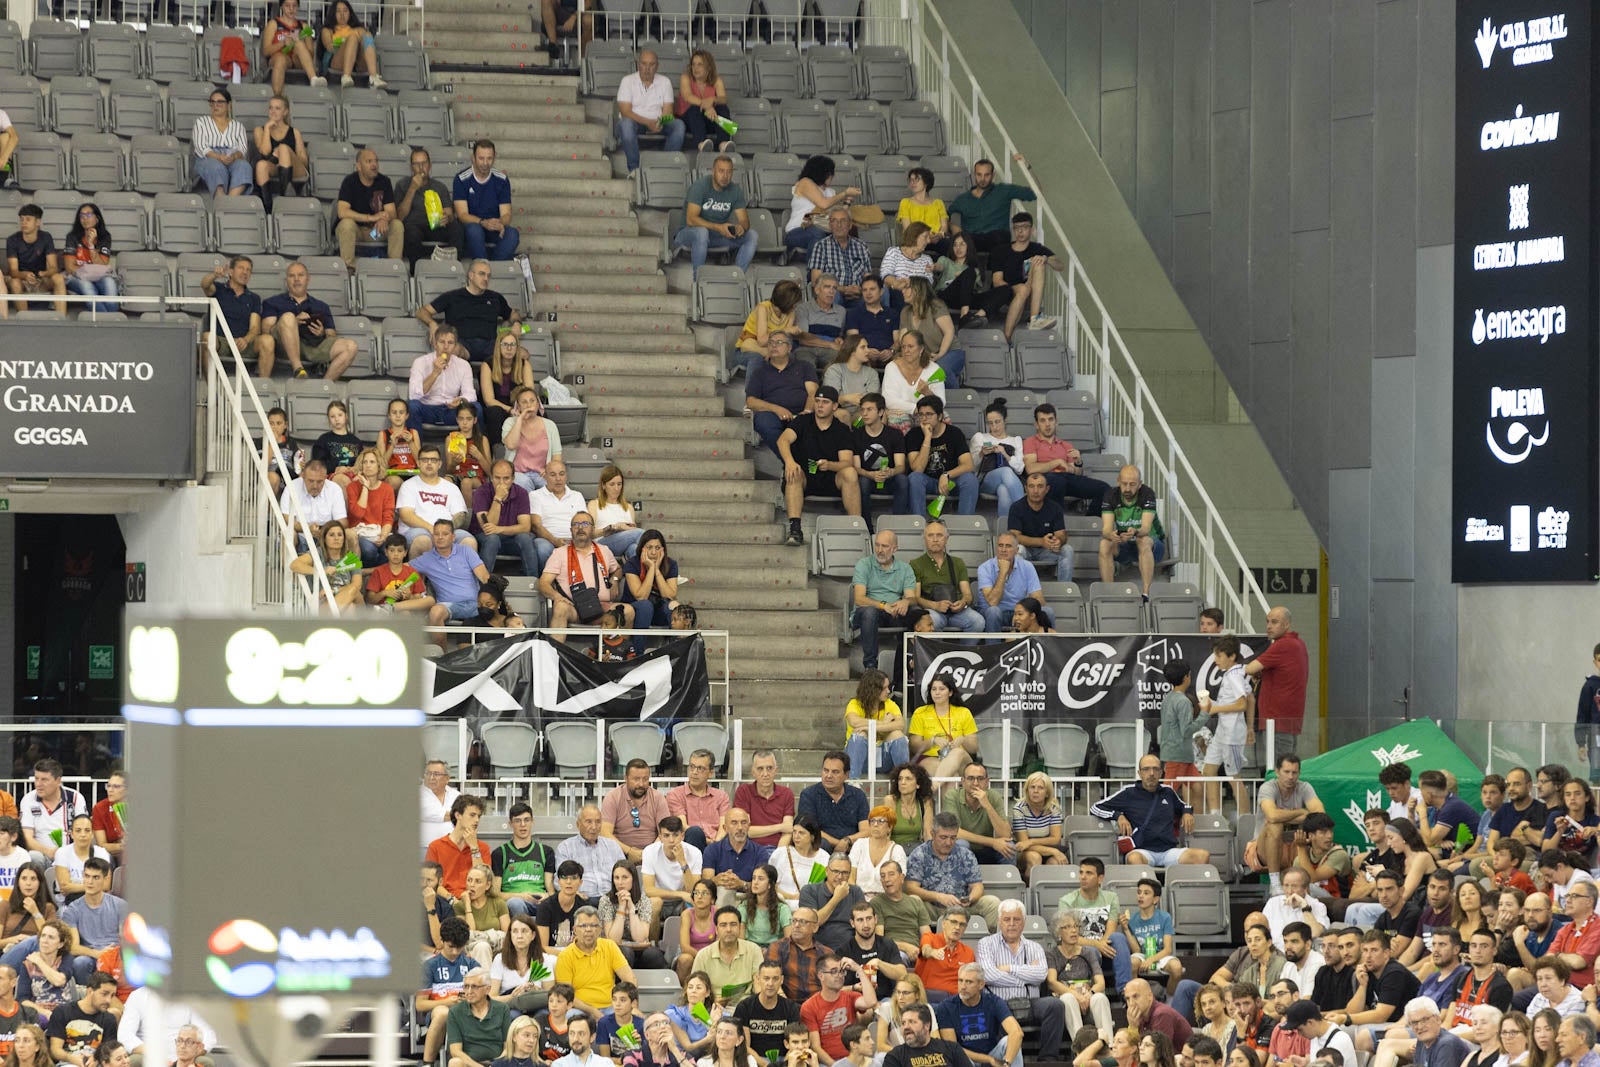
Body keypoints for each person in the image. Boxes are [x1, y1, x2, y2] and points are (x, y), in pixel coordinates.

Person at [975, 900, 1065, 1059]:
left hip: (1030, 1001)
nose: (1011, 924)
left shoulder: (1034, 947)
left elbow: (1040, 975)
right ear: (999, 922)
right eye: (1006, 919)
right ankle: (1003, 1059)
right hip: (1000, 1002)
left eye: (1016, 919)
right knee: (995, 1010)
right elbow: (988, 975)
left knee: (1055, 1005)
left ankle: (1048, 1059)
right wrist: (1025, 977)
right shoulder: (986, 944)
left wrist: (1010, 968)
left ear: (1023, 923)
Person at [778, 385, 862, 545]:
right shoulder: (803, 421)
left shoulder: (841, 429)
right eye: (817, 401)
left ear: (835, 406)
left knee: (850, 472)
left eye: (825, 402)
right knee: (793, 472)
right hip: (805, 477)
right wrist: (789, 462)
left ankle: (855, 527)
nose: (820, 405)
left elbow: (846, 462)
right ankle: (795, 529)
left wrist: (830, 465)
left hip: (830, 477)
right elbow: (783, 440)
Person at [1090, 757, 1208, 867]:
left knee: (1202, 856)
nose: (1151, 773)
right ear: (1139, 773)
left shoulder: (1168, 792)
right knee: (1134, 859)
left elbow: (1184, 805)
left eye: (1155, 769)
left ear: (1161, 773)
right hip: (1142, 851)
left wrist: (1187, 812)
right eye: (1146, 769)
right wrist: (1118, 816)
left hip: (1169, 851)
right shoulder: (1128, 793)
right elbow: (1095, 808)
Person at [260, 261, 359, 380]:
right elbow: (266, 330)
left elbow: (332, 335)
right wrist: (291, 324)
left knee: (350, 346)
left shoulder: (321, 306)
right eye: (292, 276)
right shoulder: (273, 302)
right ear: (286, 280)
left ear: (308, 279)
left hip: (312, 346)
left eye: (300, 275)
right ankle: (298, 368)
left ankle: (324, 385)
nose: (296, 279)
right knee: (288, 317)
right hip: (282, 346)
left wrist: (322, 332)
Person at [904, 813, 1000, 934]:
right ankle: (925, 943)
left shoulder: (965, 854)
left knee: (993, 902)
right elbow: (911, 888)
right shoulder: (919, 854)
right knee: (913, 900)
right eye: (943, 837)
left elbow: (977, 886)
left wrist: (970, 898)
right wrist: (938, 897)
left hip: (962, 907)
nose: (949, 842)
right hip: (932, 907)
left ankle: (988, 942)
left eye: (953, 838)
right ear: (932, 834)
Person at [419, 260, 522, 363]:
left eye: (488, 275)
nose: (486, 278)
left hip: (491, 346)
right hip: (462, 344)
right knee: (451, 351)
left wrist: (517, 323)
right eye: (482, 274)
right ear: (471, 275)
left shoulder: (496, 298)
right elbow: (422, 311)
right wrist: (432, 323)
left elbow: (513, 313)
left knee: (523, 354)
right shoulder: (452, 297)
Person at [980, 212, 1060, 339]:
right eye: (1017, 227)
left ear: (1032, 229)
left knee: (1039, 263)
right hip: (1005, 293)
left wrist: (1046, 259)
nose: (1020, 231)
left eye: (1025, 227)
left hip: (1029, 295)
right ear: (1013, 230)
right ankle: (1007, 336)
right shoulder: (1001, 250)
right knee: (1023, 289)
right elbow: (997, 281)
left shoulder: (1036, 248)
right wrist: (1019, 289)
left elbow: (1060, 265)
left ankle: (1034, 318)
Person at [1244, 607, 1310, 760]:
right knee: (1289, 768)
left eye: (1274, 622)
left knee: (1281, 770)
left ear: (1287, 625)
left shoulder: (1282, 645)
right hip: (1290, 720)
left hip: (1276, 721)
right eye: (1267, 622)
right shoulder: (1299, 644)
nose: (1268, 626)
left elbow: (1250, 668)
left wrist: (1258, 671)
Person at [674, 155, 755, 278]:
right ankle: (698, 280)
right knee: (702, 232)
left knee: (752, 235)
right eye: (721, 171)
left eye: (729, 172)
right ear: (713, 171)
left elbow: (744, 220)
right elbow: (691, 220)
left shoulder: (735, 190)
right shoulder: (700, 187)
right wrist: (718, 227)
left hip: (716, 237)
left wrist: (741, 227)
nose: (725, 176)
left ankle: (737, 277)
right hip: (688, 234)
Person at [1255, 754, 1325, 891]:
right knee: (1275, 826)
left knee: (1320, 828)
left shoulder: (1304, 787)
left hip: (1296, 846)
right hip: (1265, 849)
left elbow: (1319, 815)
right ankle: (1274, 884)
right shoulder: (1268, 787)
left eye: (1294, 772)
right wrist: (1301, 812)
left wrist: (1284, 815)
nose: (1291, 777)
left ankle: (1313, 882)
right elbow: (1273, 816)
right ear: (1277, 772)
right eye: (1286, 772)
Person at [1022, 402, 1110, 510]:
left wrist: (1078, 463)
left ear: (1056, 422)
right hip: (1045, 479)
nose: (1047, 424)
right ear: (1036, 424)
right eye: (1043, 420)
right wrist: (1057, 462)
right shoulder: (1030, 442)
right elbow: (1031, 469)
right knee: (1057, 481)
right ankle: (1056, 523)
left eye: (1050, 419)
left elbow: (1075, 472)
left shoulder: (1066, 445)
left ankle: (1091, 522)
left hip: (1067, 479)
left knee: (1105, 489)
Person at [850, 531, 917, 672]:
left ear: (895, 548)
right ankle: (870, 666)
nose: (880, 550)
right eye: (877, 545)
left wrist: (905, 602)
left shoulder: (905, 569)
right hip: (867, 612)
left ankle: (912, 662)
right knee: (870, 612)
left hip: (893, 611)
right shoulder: (864, 564)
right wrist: (882, 605)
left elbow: (912, 597)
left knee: (916, 613)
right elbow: (859, 598)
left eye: (885, 546)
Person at [935, 964, 1023, 1067]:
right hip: (964, 1059)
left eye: (969, 982)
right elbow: (952, 1048)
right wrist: (989, 1059)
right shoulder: (946, 1007)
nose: (963, 986)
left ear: (981, 984)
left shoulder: (993, 1002)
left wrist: (1007, 1063)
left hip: (992, 1053)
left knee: (1010, 1041)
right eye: (960, 980)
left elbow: (1017, 1033)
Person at [746, 333, 818, 459]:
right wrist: (776, 409)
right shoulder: (760, 372)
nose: (774, 346)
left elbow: (813, 393)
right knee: (763, 422)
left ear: (789, 348)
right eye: (771, 342)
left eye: (779, 342)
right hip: (773, 414)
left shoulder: (804, 367)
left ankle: (793, 467)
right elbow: (751, 401)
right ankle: (793, 462)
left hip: (802, 412)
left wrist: (806, 412)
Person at [905, 394, 978, 517]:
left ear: (940, 416)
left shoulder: (954, 433)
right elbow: (918, 469)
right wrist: (927, 438)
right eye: (921, 414)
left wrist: (946, 475)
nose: (924, 418)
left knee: (970, 480)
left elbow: (968, 465)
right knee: (914, 478)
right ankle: (919, 524)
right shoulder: (913, 435)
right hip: (927, 481)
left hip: (950, 482)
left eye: (929, 414)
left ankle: (965, 524)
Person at [1045, 913, 1114, 1042]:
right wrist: (1076, 995)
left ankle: (1108, 1046)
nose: (1073, 930)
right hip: (1066, 997)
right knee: (1068, 998)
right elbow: (1051, 982)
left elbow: (1100, 983)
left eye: (1076, 926)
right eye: (1067, 927)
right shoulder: (1052, 954)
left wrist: (1089, 994)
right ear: (1058, 932)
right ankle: (1080, 1047)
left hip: (1087, 997)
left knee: (1100, 998)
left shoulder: (1088, 952)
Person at [910, 521, 986, 636]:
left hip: (956, 611)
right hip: (932, 610)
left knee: (978, 621)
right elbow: (915, 597)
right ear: (924, 539)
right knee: (931, 621)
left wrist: (962, 602)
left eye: (939, 535)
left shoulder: (957, 562)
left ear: (946, 538)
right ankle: (936, 653)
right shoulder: (916, 564)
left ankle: (964, 652)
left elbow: (968, 595)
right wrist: (935, 605)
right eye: (930, 535)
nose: (935, 539)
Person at [948, 156, 1036, 256]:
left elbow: (1035, 192)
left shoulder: (1003, 191)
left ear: (993, 175)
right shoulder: (963, 199)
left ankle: (995, 270)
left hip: (996, 237)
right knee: (960, 242)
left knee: (998, 239)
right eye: (979, 175)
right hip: (972, 238)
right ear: (974, 175)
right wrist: (953, 227)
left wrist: (1027, 166)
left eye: (987, 175)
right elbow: (944, 215)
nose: (982, 179)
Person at [1100, 465, 1167, 596]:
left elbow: (1146, 528)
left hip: (1153, 546)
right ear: (1118, 481)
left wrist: (1135, 532)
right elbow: (1106, 529)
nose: (1128, 489)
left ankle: (1146, 593)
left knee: (1143, 540)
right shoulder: (1110, 495)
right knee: (1104, 543)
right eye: (1124, 484)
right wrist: (1112, 535)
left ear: (1140, 484)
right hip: (1125, 543)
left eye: (1132, 484)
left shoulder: (1147, 494)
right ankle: (1109, 593)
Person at [616, 50, 685, 174]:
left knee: (679, 125)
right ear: (638, 64)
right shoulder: (627, 81)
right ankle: (634, 170)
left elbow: (668, 113)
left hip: (658, 122)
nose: (647, 68)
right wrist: (648, 122)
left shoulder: (665, 82)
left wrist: (659, 123)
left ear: (657, 66)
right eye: (644, 64)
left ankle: (666, 168)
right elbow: (625, 112)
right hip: (635, 122)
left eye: (652, 64)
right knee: (626, 124)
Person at [454, 140, 519, 261]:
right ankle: (482, 266)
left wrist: (500, 223)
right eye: (481, 158)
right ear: (473, 158)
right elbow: (462, 215)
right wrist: (483, 222)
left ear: (494, 158)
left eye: (489, 159)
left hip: (494, 227)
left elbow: (506, 214)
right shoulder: (461, 179)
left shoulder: (502, 180)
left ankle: (493, 269)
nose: (485, 163)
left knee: (512, 234)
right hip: (474, 226)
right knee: (474, 230)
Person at [201, 255, 268, 372]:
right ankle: (212, 387)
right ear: (231, 272)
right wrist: (214, 276)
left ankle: (264, 387)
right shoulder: (218, 289)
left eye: (248, 270)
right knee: (207, 337)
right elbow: (204, 284)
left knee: (268, 340)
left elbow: (255, 327)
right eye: (241, 268)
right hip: (221, 341)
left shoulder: (254, 298)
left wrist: (246, 340)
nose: (245, 272)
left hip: (243, 343)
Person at [852, 392, 911, 520]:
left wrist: (891, 472)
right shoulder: (856, 435)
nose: (865, 414)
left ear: (880, 412)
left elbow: (901, 466)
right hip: (868, 478)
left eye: (869, 409)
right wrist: (870, 475)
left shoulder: (894, 434)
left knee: (902, 480)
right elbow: (856, 467)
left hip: (889, 478)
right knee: (862, 482)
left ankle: (897, 524)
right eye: (862, 410)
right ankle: (866, 527)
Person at [788, 158, 862, 259]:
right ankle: (814, 273)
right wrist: (845, 193)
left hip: (824, 228)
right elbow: (823, 204)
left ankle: (850, 267)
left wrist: (847, 202)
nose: (832, 176)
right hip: (798, 231)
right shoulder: (805, 183)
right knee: (817, 232)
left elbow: (838, 213)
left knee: (848, 228)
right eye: (830, 173)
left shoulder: (831, 192)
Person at [691, 904, 763, 1007]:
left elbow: (759, 985)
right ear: (716, 929)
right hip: (713, 1008)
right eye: (723, 925)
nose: (729, 929)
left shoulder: (753, 950)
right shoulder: (703, 955)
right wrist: (712, 1002)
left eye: (733, 924)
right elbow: (696, 991)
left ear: (739, 927)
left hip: (746, 1008)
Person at [399, 147, 463, 264]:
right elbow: (400, 216)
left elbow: (450, 213)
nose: (421, 168)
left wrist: (447, 217)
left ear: (430, 165)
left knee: (456, 228)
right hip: (414, 227)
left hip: (436, 226)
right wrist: (412, 188)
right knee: (411, 233)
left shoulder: (440, 187)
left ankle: (453, 267)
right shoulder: (402, 185)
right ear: (411, 167)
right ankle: (416, 271)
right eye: (416, 164)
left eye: (424, 163)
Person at [908, 676, 978, 782]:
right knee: (951, 777)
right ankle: (945, 795)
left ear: (950, 692)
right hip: (930, 758)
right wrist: (932, 741)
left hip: (961, 761)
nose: (937, 692)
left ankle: (933, 786)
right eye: (934, 689)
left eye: (942, 689)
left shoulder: (964, 712)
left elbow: (974, 748)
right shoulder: (920, 713)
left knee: (957, 752)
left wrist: (963, 740)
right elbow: (913, 747)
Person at [845, 671, 910, 783]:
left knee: (897, 734)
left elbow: (900, 724)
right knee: (860, 734)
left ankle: (905, 781)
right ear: (873, 689)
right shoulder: (854, 703)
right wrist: (885, 723)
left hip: (884, 758)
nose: (888, 691)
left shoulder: (890, 704)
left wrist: (871, 727)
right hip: (861, 757)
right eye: (884, 688)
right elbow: (854, 722)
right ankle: (853, 783)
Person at [898, 277, 965, 385]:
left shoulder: (936, 306)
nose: (903, 291)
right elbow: (904, 340)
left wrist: (940, 355)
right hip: (924, 357)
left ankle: (955, 399)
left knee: (940, 369)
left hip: (950, 352)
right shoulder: (905, 312)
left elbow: (949, 332)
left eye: (907, 287)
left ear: (918, 289)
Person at [1008, 471, 1073, 583]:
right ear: (1026, 489)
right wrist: (1041, 542)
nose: (1035, 491)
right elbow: (1015, 537)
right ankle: (1018, 591)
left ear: (1047, 489)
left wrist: (1059, 541)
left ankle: (1064, 590)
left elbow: (1061, 534)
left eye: (1040, 486)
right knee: (1018, 549)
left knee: (1067, 549)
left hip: (1046, 550)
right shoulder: (1016, 507)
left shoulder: (1055, 508)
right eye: (1031, 486)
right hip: (1025, 549)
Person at [976, 534, 1045, 636]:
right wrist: (1003, 572)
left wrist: (1024, 613)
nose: (1003, 549)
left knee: (1047, 611)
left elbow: (1038, 599)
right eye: (1000, 545)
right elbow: (993, 602)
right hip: (991, 612)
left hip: (1018, 611)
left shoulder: (1027, 566)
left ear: (1016, 550)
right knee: (994, 612)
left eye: (1008, 546)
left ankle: (1045, 649)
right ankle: (993, 650)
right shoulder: (984, 568)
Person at [969, 402, 1026, 524]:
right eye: (990, 423)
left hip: (1009, 481)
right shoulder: (980, 438)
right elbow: (972, 467)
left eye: (997, 422)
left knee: (1004, 490)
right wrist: (981, 454)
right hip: (986, 481)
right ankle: (1026, 514)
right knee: (1006, 471)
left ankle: (1004, 532)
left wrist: (1005, 454)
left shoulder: (1015, 440)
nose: (994, 426)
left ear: (1005, 420)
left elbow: (1020, 469)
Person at [733, 961, 802, 1062]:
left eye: (775, 979)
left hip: (784, 1060)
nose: (770, 983)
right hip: (753, 1060)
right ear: (758, 979)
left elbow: (795, 1045)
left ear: (781, 980)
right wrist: (765, 1065)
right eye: (766, 978)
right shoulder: (744, 1007)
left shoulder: (791, 1008)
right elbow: (744, 1046)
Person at [798, 855, 868, 953]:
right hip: (816, 948)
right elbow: (813, 922)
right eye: (835, 871)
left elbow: (863, 924)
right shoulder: (809, 890)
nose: (840, 877)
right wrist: (837, 898)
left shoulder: (856, 892)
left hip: (849, 948)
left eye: (845, 873)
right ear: (827, 871)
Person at [702, 810, 772, 907]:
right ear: (725, 828)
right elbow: (705, 883)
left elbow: (763, 886)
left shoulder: (760, 852)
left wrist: (741, 884)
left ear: (749, 826)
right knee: (724, 890)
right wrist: (716, 881)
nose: (740, 828)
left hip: (750, 898)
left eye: (743, 823)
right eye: (734, 823)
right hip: (722, 898)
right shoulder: (712, 850)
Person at [250, 94, 307, 212]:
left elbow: (304, 161)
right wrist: (267, 129)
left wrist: (286, 154)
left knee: (283, 148)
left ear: (285, 112)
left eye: (277, 108)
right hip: (274, 168)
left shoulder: (294, 132)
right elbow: (265, 152)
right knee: (261, 165)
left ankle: (284, 200)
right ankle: (268, 208)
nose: (273, 111)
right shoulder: (260, 130)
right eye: (271, 108)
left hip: (296, 170)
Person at [5, 205, 66, 315]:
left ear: (38, 222)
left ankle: (61, 319)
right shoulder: (12, 240)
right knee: (14, 282)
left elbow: (54, 268)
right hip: (22, 280)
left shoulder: (46, 237)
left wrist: (44, 273)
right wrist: (24, 275)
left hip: (41, 279)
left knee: (58, 278)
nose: (24, 223)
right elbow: (13, 271)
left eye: (28, 219)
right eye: (21, 219)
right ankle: (24, 319)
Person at [191, 87, 252, 196]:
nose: (215, 105)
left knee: (244, 166)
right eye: (212, 102)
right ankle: (221, 201)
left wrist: (233, 157)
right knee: (215, 166)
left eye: (220, 102)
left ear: (229, 105)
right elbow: (201, 147)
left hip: (231, 157)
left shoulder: (238, 126)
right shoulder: (201, 122)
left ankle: (230, 202)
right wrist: (219, 157)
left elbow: (242, 149)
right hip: (208, 158)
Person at [808, 206, 875, 303]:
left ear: (850, 225)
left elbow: (868, 278)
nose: (838, 225)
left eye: (843, 221)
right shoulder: (821, 246)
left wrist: (860, 290)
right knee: (834, 294)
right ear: (830, 225)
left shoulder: (862, 246)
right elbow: (816, 281)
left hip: (859, 294)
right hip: (834, 293)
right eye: (834, 221)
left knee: (879, 292)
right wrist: (842, 289)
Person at [505, 387, 564, 495]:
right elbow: (510, 444)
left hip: (542, 473)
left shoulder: (550, 425)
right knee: (524, 482)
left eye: (532, 401)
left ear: (538, 404)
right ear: (518, 406)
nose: (529, 405)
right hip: (517, 473)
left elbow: (557, 457)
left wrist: (549, 471)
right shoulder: (510, 423)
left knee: (555, 485)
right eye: (524, 402)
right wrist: (520, 419)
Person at [446, 971, 513, 1067]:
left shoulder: (502, 1009)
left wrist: (497, 1064)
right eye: (466, 986)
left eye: (474, 987)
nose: (469, 992)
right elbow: (455, 1051)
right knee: (455, 1062)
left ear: (487, 989)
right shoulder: (455, 1012)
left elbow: (508, 1047)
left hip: (496, 1063)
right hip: (469, 1064)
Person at [59, 203, 117, 313]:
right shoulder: (72, 237)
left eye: (89, 215)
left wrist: (91, 246)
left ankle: (109, 323)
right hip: (76, 276)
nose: (85, 219)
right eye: (81, 216)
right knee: (88, 288)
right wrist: (86, 273)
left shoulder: (105, 237)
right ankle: (105, 324)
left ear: (97, 218)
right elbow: (69, 267)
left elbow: (102, 265)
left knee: (110, 284)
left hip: (98, 275)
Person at [735, 752, 796, 849]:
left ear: (776, 770)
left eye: (769, 768)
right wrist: (780, 827)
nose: (765, 774)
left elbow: (788, 830)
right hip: (750, 849)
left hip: (778, 848)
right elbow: (746, 831)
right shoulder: (744, 792)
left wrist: (777, 856)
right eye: (760, 769)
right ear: (753, 772)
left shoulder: (786, 794)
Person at [886, 1002, 975, 1067]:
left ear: (927, 1025)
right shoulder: (895, 1056)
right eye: (903, 1023)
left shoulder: (952, 1049)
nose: (906, 1027)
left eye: (912, 1022)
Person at [262, 0, 324, 92]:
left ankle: (313, 79)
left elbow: (311, 54)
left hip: (297, 60)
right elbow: (265, 51)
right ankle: (277, 97)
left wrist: (299, 46)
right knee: (280, 59)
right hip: (279, 57)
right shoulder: (273, 24)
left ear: (298, 7)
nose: (291, 9)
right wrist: (283, 43)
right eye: (287, 6)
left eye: (294, 6)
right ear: (281, 6)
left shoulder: (305, 27)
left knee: (299, 44)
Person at [1011, 771, 1065, 876]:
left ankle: (1049, 892)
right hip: (1024, 852)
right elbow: (1023, 844)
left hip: (1044, 849)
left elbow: (1055, 839)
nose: (1035, 791)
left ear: (1047, 792)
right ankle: (1029, 890)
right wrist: (1054, 851)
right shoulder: (1019, 809)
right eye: (1032, 787)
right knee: (1035, 858)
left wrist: (1031, 842)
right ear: (1027, 790)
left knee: (1056, 862)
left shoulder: (1053, 808)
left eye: (1040, 788)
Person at [320, 0, 384, 87]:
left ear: (350, 13)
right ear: (333, 13)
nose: (342, 14)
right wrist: (344, 41)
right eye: (338, 11)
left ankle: (374, 77)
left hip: (357, 63)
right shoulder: (327, 30)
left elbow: (366, 39)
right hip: (335, 61)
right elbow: (329, 47)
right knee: (352, 38)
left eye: (345, 11)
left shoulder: (357, 29)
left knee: (367, 34)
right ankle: (346, 76)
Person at [589, 467, 645, 563]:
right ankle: (660, 571)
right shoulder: (594, 504)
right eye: (612, 484)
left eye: (619, 484)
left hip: (625, 544)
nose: (616, 488)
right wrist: (609, 529)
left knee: (634, 548)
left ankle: (638, 576)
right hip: (602, 543)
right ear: (603, 485)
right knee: (642, 534)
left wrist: (622, 527)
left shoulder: (628, 507)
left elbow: (632, 530)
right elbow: (590, 534)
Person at [844, 276, 899, 362]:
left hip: (889, 356)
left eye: (872, 289)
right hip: (863, 355)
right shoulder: (853, 313)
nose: (868, 293)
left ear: (881, 291)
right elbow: (853, 340)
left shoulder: (892, 314)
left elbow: (897, 340)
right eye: (865, 290)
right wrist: (867, 351)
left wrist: (891, 351)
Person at [801, 275, 852, 368]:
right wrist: (830, 344)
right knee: (806, 365)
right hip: (806, 349)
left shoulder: (841, 311)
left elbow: (840, 336)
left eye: (834, 288)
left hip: (831, 351)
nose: (831, 291)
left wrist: (840, 339)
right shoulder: (803, 308)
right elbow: (803, 338)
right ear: (817, 290)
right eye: (827, 287)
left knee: (838, 365)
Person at [881, 222, 936, 297]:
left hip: (918, 296)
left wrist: (911, 283)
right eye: (925, 237)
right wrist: (896, 283)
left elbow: (929, 282)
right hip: (897, 293)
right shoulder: (894, 252)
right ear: (914, 236)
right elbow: (885, 274)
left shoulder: (927, 259)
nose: (929, 241)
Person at [898, 168, 949, 248]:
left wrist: (939, 235)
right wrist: (925, 238)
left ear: (926, 182)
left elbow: (944, 227)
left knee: (950, 244)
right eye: (911, 180)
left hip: (936, 239)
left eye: (917, 179)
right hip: (915, 240)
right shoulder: (905, 202)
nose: (912, 183)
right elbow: (908, 229)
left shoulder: (938, 203)